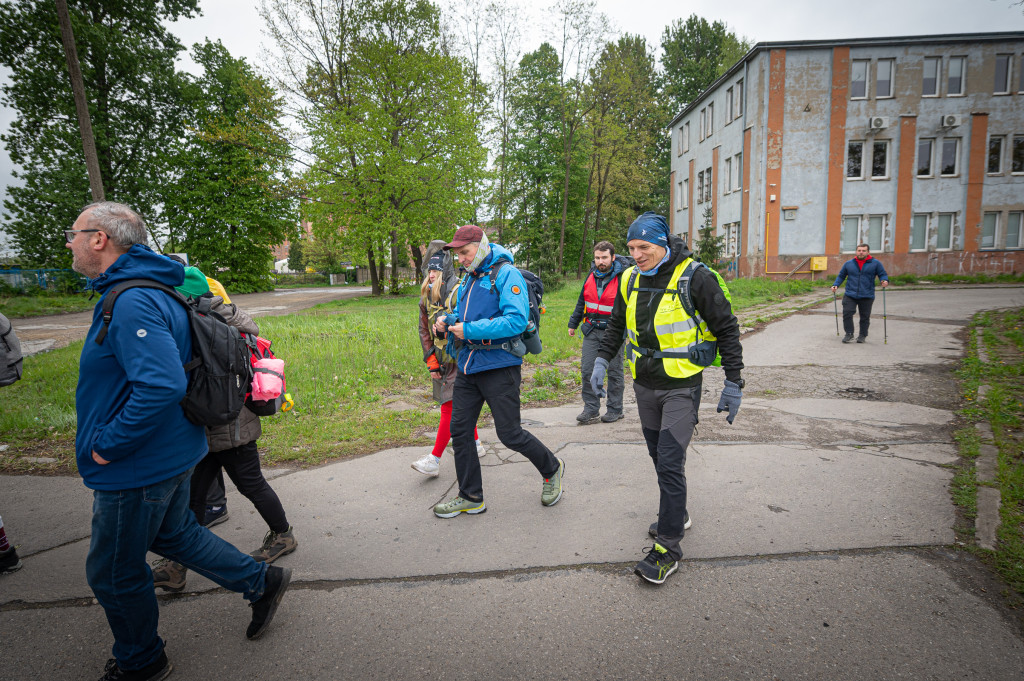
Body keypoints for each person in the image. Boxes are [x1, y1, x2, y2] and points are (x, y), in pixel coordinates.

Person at [66, 201, 291, 680]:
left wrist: (109, 443)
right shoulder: (150, 288)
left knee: (113, 572)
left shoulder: (133, 299)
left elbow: (162, 384)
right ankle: (261, 581)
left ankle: (141, 661)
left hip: (136, 463)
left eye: (74, 233)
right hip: (169, 451)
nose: (70, 242)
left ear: (101, 238)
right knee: (175, 534)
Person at [592, 212, 743, 585]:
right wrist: (600, 359)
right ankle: (679, 514)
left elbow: (727, 328)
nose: (636, 254)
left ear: (662, 243)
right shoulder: (628, 278)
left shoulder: (696, 277)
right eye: (630, 247)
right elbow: (616, 325)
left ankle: (668, 548)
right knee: (658, 460)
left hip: (682, 385)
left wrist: (733, 381)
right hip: (644, 384)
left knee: (670, 462)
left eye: (643, 247)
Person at [151, 266, 298, 594]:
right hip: (217, 423)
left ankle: (283, 534)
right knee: (194, 496)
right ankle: (177, 565)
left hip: (226, 427)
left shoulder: (202, 323)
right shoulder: (228, 315)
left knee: (250, 485)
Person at [431, 225, 565, 518]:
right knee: (460, 430)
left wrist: (468, 330)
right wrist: (448, 320)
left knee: (510, 434)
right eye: (459, 255)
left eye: (466, 253)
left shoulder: (505, 274)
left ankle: (552, 468)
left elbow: (515, 321)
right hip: (468, 365)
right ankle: (470, 496)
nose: (463, 259)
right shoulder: (470, 278)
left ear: (480, 247)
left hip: (499, 366)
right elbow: (468, 315)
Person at [411, 240, 485, 477]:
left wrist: (449, 328)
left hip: (459, 358)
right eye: (428, 271)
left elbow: (469, 322)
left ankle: (434, 459)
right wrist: (430, 359)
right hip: (440, 360)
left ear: (444, 271)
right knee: (459, 405)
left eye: (435, 270)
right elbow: (424, 330)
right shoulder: (425, 299)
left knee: (448, 408)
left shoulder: (459, 290)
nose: (430, 275)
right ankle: (475, 442)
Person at [568, 241, 629, 424]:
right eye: (597, 258)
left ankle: (615, 409)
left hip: (614, 331)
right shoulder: (591, 275)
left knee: (614, 371)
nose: (600, 261)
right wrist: (573, 323)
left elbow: (630, 306)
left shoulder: (623, 277)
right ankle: (591, 408)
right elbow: (582, 301)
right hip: (592, 329)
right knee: (587, 369)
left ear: (613, 257)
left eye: (604, 257)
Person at [832, 243, 889, 343]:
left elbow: (882, 274)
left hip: (867, 294)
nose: (861, 252)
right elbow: (841, 275)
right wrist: (835, 284)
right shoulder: (849, 263)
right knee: (847, 313)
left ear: (868, 252)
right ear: (856, 251)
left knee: (864, 317)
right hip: (850, 293)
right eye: (859, 250)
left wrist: (884, 280)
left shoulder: (875, 263)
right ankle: (849, 333)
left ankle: (862, 335)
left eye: (863, 251)